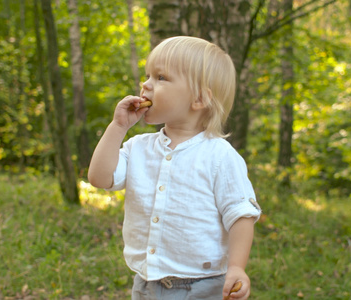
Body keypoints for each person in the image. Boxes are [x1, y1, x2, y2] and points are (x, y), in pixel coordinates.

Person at [88, 36, 261, 300]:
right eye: (147, 75)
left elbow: (241, 216)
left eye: (161, 77)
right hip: (146, 283)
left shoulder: (219, 156)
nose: (145, 84)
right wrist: (118, 127)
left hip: (204, 287)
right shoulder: (138, 148)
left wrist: (236, 267)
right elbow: (100, 178)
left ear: (199, 99)